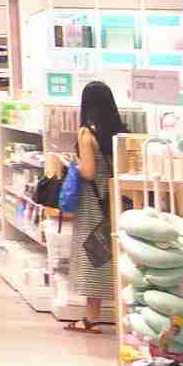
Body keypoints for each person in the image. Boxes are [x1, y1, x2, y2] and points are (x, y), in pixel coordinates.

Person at [66, 79, 125, 333]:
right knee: (113, 254)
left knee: (94, 256)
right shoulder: (119, 131)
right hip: (115, 198)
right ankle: (122, 313)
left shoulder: (86, 133)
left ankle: (91, 318)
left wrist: (73, 164)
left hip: (93, 200)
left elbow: (88, 172)